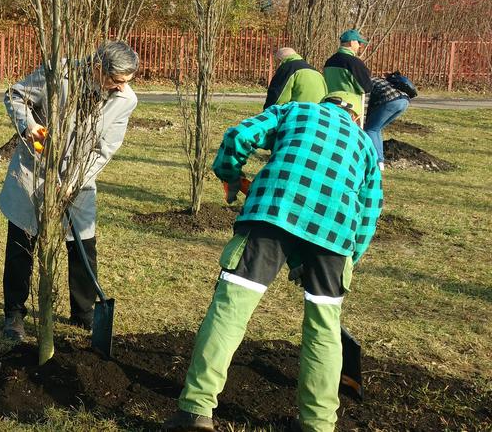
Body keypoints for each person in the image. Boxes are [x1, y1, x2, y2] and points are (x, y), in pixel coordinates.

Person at [162, 91, 383, 432]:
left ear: (323, 103)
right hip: (334, 236)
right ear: (354, 116)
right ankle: (318, 425)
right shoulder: (366, 145)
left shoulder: (294, 111)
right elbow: (369, 212)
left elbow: (239, 135)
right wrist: (347, 260)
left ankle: (195, 410)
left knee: (231, 308)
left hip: (272, 212)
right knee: (324, 328)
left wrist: (231, 175)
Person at [0, 41, 139, 341]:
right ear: (98, 68)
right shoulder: (58, 73)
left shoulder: (125, 99)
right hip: (35, 172)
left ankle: (84, 313)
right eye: (116, 81)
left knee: (83, 245)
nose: (120, 88)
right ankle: (14, 314)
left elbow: (104, 150)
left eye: (126, 83)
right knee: (22, 242)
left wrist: (73, 181)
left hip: (81, 176)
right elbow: (15, 95)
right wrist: (29, 126)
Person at [323, 29, 373, 123]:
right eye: (358, 42)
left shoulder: (329, 61)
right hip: (349, 108)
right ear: (351, 42)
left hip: (330, 104)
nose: (360, 46)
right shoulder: (354, 63)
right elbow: (367, 87)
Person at [364, 75, 411, 171]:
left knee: (370, 129)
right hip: (404, 101)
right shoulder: (377, 80)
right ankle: (380, 161)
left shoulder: (365, 83)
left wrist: (363, 121)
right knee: (376, 129)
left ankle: (377, 162)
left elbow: (365, 103)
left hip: (391, 100)